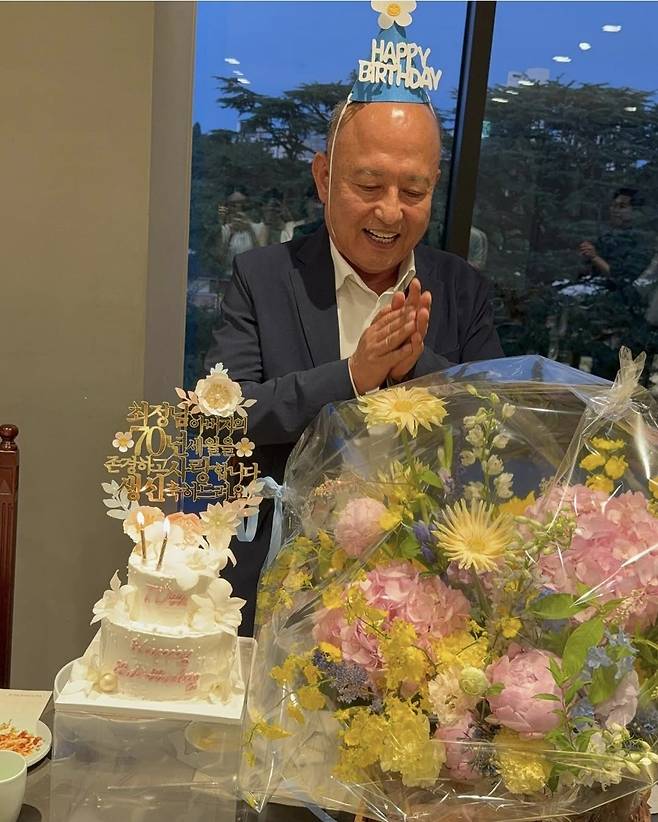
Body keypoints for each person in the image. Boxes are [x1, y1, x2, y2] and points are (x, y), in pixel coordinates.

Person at [205, 97, 502, 635]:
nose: (390, 212)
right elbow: (221, 418)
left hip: (421, 593)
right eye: (368, 185)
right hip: (280, 578)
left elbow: (497, 423)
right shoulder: (263, 277)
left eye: (413, 192)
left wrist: (417, 368)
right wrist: (351, 376)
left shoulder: (461, 288)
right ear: (323, 177)